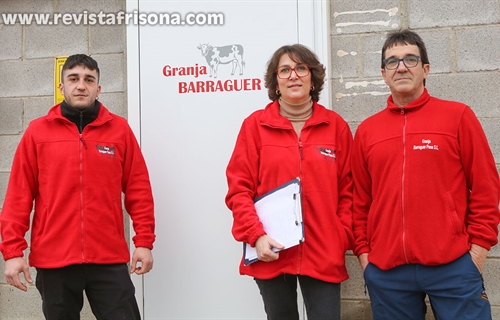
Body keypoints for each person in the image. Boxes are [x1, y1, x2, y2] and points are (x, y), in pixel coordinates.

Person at [351, 29, 500, 320]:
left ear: (425, 69)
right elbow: (360, 199)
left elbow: (486, 187)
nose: (402, 67)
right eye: (392, 62)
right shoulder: (367, 131)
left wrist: (478, 251)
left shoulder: (457, 117)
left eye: (410, 59)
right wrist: (365, 257)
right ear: (384, 74)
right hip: (387, 271)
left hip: (453, 265)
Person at [0, 54, 156, 320]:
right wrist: (13, 252)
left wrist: (144, 242)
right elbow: (18, 196)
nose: (81, 85)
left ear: (98, 88)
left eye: (88, 79)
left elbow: (139, 189)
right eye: (73, 79)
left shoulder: (119, 131)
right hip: (54, 259)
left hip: (108, 257)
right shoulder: (38, 133)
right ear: (62, 87)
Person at [225, 44, 353, 320]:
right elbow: (239, 190)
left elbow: (349, 192)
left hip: (323, 251)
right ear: (276, 82)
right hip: (271, 249)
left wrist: (340, 236)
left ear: (312, 77)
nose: (293, 76)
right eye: (284, 70)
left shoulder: (336, 126)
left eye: (301, 68)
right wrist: (255, 236)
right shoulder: (254, 126)